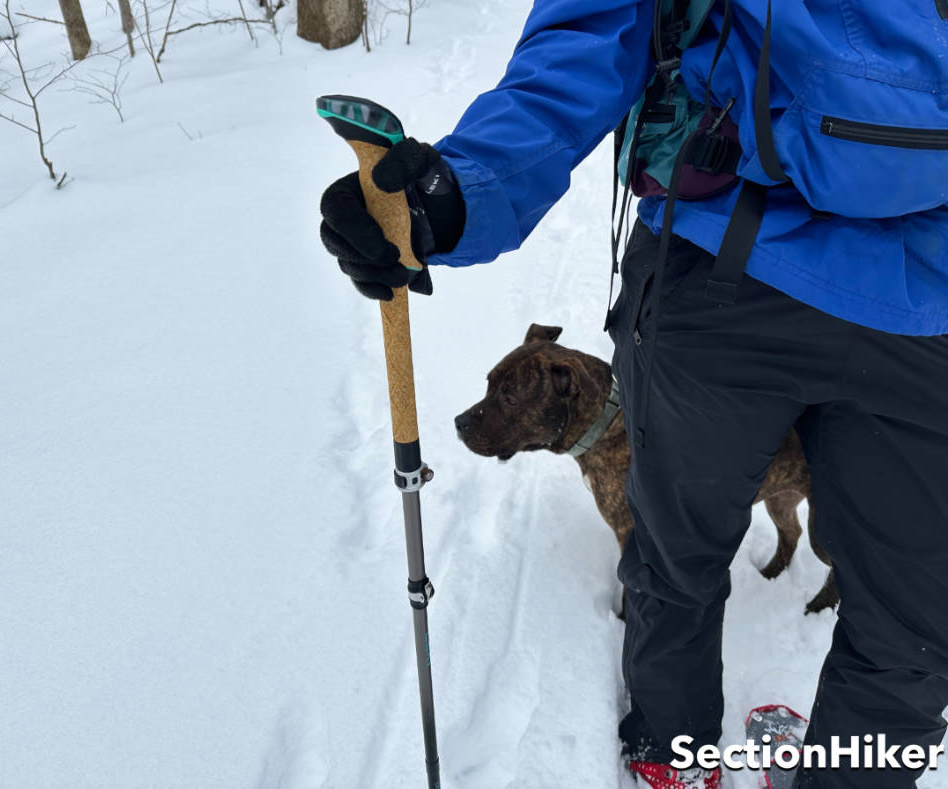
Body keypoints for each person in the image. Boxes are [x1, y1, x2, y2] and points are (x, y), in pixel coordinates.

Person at [319, 1, 948, 786]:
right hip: (929, 304)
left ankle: (669, 762)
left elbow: (589, 40)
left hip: (722, 268)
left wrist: (458, 192)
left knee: (672, 555)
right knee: (910, 623)